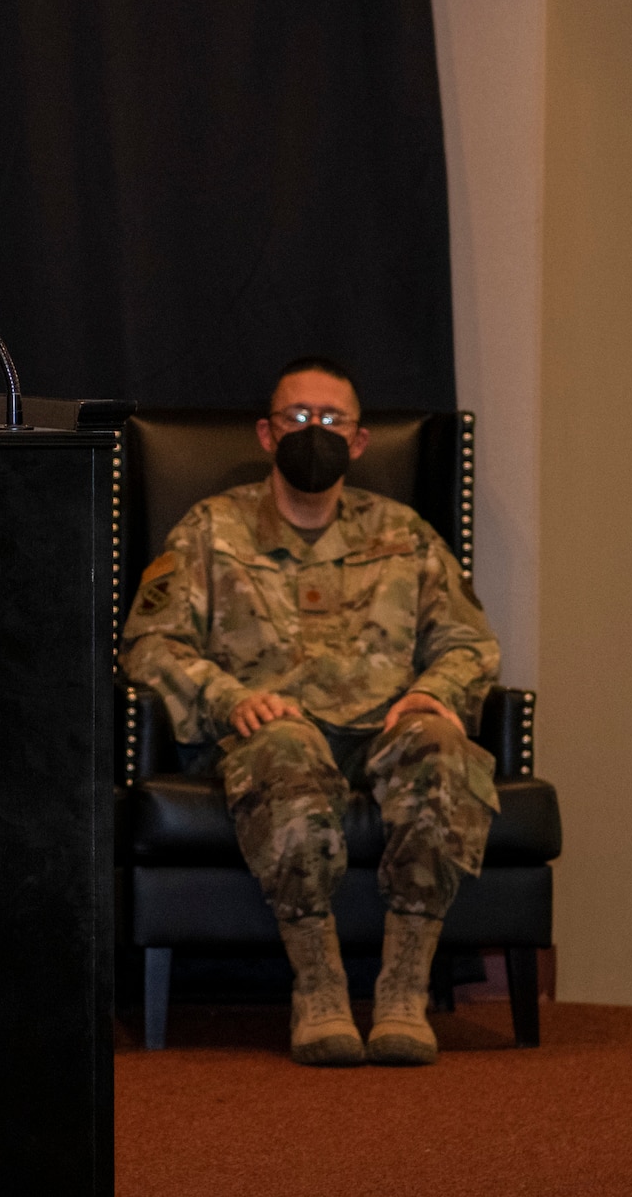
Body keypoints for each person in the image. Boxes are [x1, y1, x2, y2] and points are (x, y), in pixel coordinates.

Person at [119, 357, 500, 1068]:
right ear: (267, 433)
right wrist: (230, 698)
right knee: (285, 750)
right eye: (297, 418)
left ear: (359, 442)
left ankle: (403, 988)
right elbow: (150, 644)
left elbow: (470, 642)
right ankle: (318, 984)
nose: (313, 432)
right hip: (272, 730)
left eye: (332, 421)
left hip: (386, 727)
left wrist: (434, 693)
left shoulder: (405, 534)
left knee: (448, 755)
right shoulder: (210, 530)